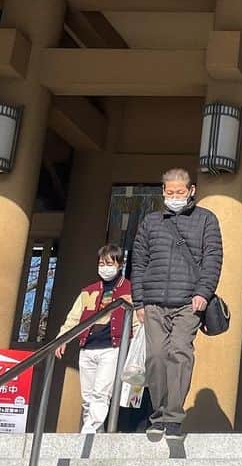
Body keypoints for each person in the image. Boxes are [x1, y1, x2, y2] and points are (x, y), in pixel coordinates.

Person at [131, 168, 222, 440]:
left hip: (189, 301)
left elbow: (213, 258)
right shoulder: (150, 222)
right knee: (156, 356)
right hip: (154, 301)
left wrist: (204, 293)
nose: (174, 197)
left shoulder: (206, 220)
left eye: (179, 192)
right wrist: (139, 301)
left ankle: (173, 417)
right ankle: (157, 414)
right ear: (163, 192)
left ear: (191, 191)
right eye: (170, 192)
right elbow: (138, 261)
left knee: (180, 352)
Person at [55, 243, 136, 433]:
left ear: (119, 264)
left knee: (101, 393)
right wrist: (62, 338)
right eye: (101, 263)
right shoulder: (89, 290)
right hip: (87, 346)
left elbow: (137, 322)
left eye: (109, 263)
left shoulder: (130, 290)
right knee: (87, 398)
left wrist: (135, 347)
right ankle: (94, 433)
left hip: (112, 347)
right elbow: (74, 317)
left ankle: (88, 432)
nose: (104, 267)